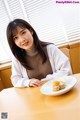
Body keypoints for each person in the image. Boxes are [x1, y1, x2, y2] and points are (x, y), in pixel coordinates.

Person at [6, 19, 72, 87]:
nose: (22, 39)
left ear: (31, 31)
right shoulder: (17, 58)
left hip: (55, 89)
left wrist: (45, 81)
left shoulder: (50, 49)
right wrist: (28, 82)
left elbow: (66, 70)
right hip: (33, 95)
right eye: (16, 38)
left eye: (23, 33)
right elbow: (15, 80)